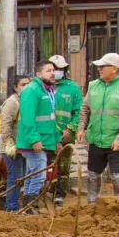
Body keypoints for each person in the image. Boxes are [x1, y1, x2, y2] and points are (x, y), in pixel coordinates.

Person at [76, 52, 119, 203]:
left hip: (117, 142)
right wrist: (81, 128)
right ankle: (92, 204)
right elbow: (85, 108)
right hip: (96, 140)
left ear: (114, 68)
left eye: (103, 66)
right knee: (93, 174)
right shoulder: (94, 85)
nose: (99, 69)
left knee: (118, 175)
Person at [15, 60, 59, 213]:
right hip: (34, 142)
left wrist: (56, 139)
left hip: (44, 140)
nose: (53, 73)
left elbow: (51, 119)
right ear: (39, 74)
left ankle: (28, 207)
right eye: (48, 70)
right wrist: (34, 138)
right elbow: (28, 118)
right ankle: (30, 206)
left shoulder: (47, 91)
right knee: (39, 176)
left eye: (53, 70)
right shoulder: (32, 91)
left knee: (32, 174)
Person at [48, 55, 83, 206]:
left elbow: (79, 112)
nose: (57, 71)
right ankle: (45, 190)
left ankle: (60, 194)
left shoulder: (73, 88)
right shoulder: (43, 87)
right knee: (46, 165)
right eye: (54, 68)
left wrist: (71, 129)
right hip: (47, 134)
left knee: (64, 165)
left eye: (60, 69)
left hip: (66, 135)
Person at [0, 76, 32, 212]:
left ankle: (16, 205)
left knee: (21, 177)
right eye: (23, 84)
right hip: (11, 147)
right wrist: (9, 144)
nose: (26, 87)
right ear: (16, 87)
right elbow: (5, 125)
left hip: (22, 146)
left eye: (29, 84)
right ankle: (11, 207)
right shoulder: (12, 102)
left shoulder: (26, 101)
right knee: (15, 177)